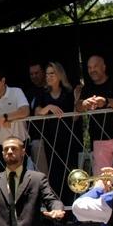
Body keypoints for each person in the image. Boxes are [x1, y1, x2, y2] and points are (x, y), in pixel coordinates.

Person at [35, 62, 82, 205]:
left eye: (52, 73)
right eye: (47, 74)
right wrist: (49, 107)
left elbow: (75, 117)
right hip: (51, 140)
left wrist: (76, 99)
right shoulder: (43, 94)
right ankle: (58, 210)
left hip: (69, 139)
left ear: (60, 75)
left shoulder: (68, 93)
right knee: (54, 175)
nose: (48, 77)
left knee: (71, 173)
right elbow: (37, 113)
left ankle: (73, 209)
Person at [76, 55, 113, 174]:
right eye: (89, 67)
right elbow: (78, 107)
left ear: (104, 67)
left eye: (95, 66)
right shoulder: (87, 88)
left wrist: (105, 102)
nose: (92, 70)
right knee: (102, 179)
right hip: (99, 138)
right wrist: (84, 103)